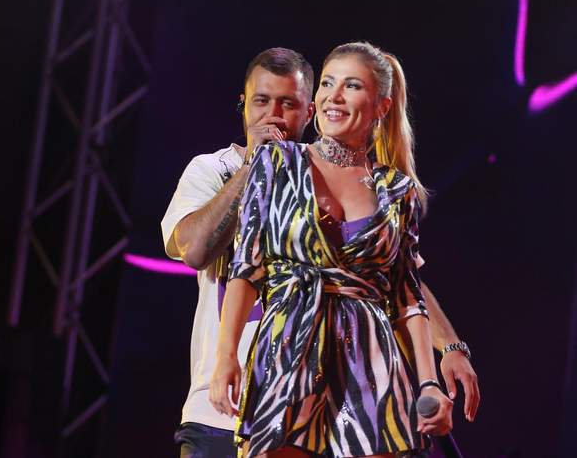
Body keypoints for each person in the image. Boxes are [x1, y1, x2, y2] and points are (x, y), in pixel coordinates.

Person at [163, 48, 478, 458]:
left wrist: (446, 351)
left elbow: (401, 287)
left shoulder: (390, 189)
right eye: (261, 101)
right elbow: (207, 254)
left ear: (307, 110)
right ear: (242, 104)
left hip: (356, 381)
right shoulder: (219, 169)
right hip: (251, 386)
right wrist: (252, 167)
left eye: (288, 104)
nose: (273, 115)